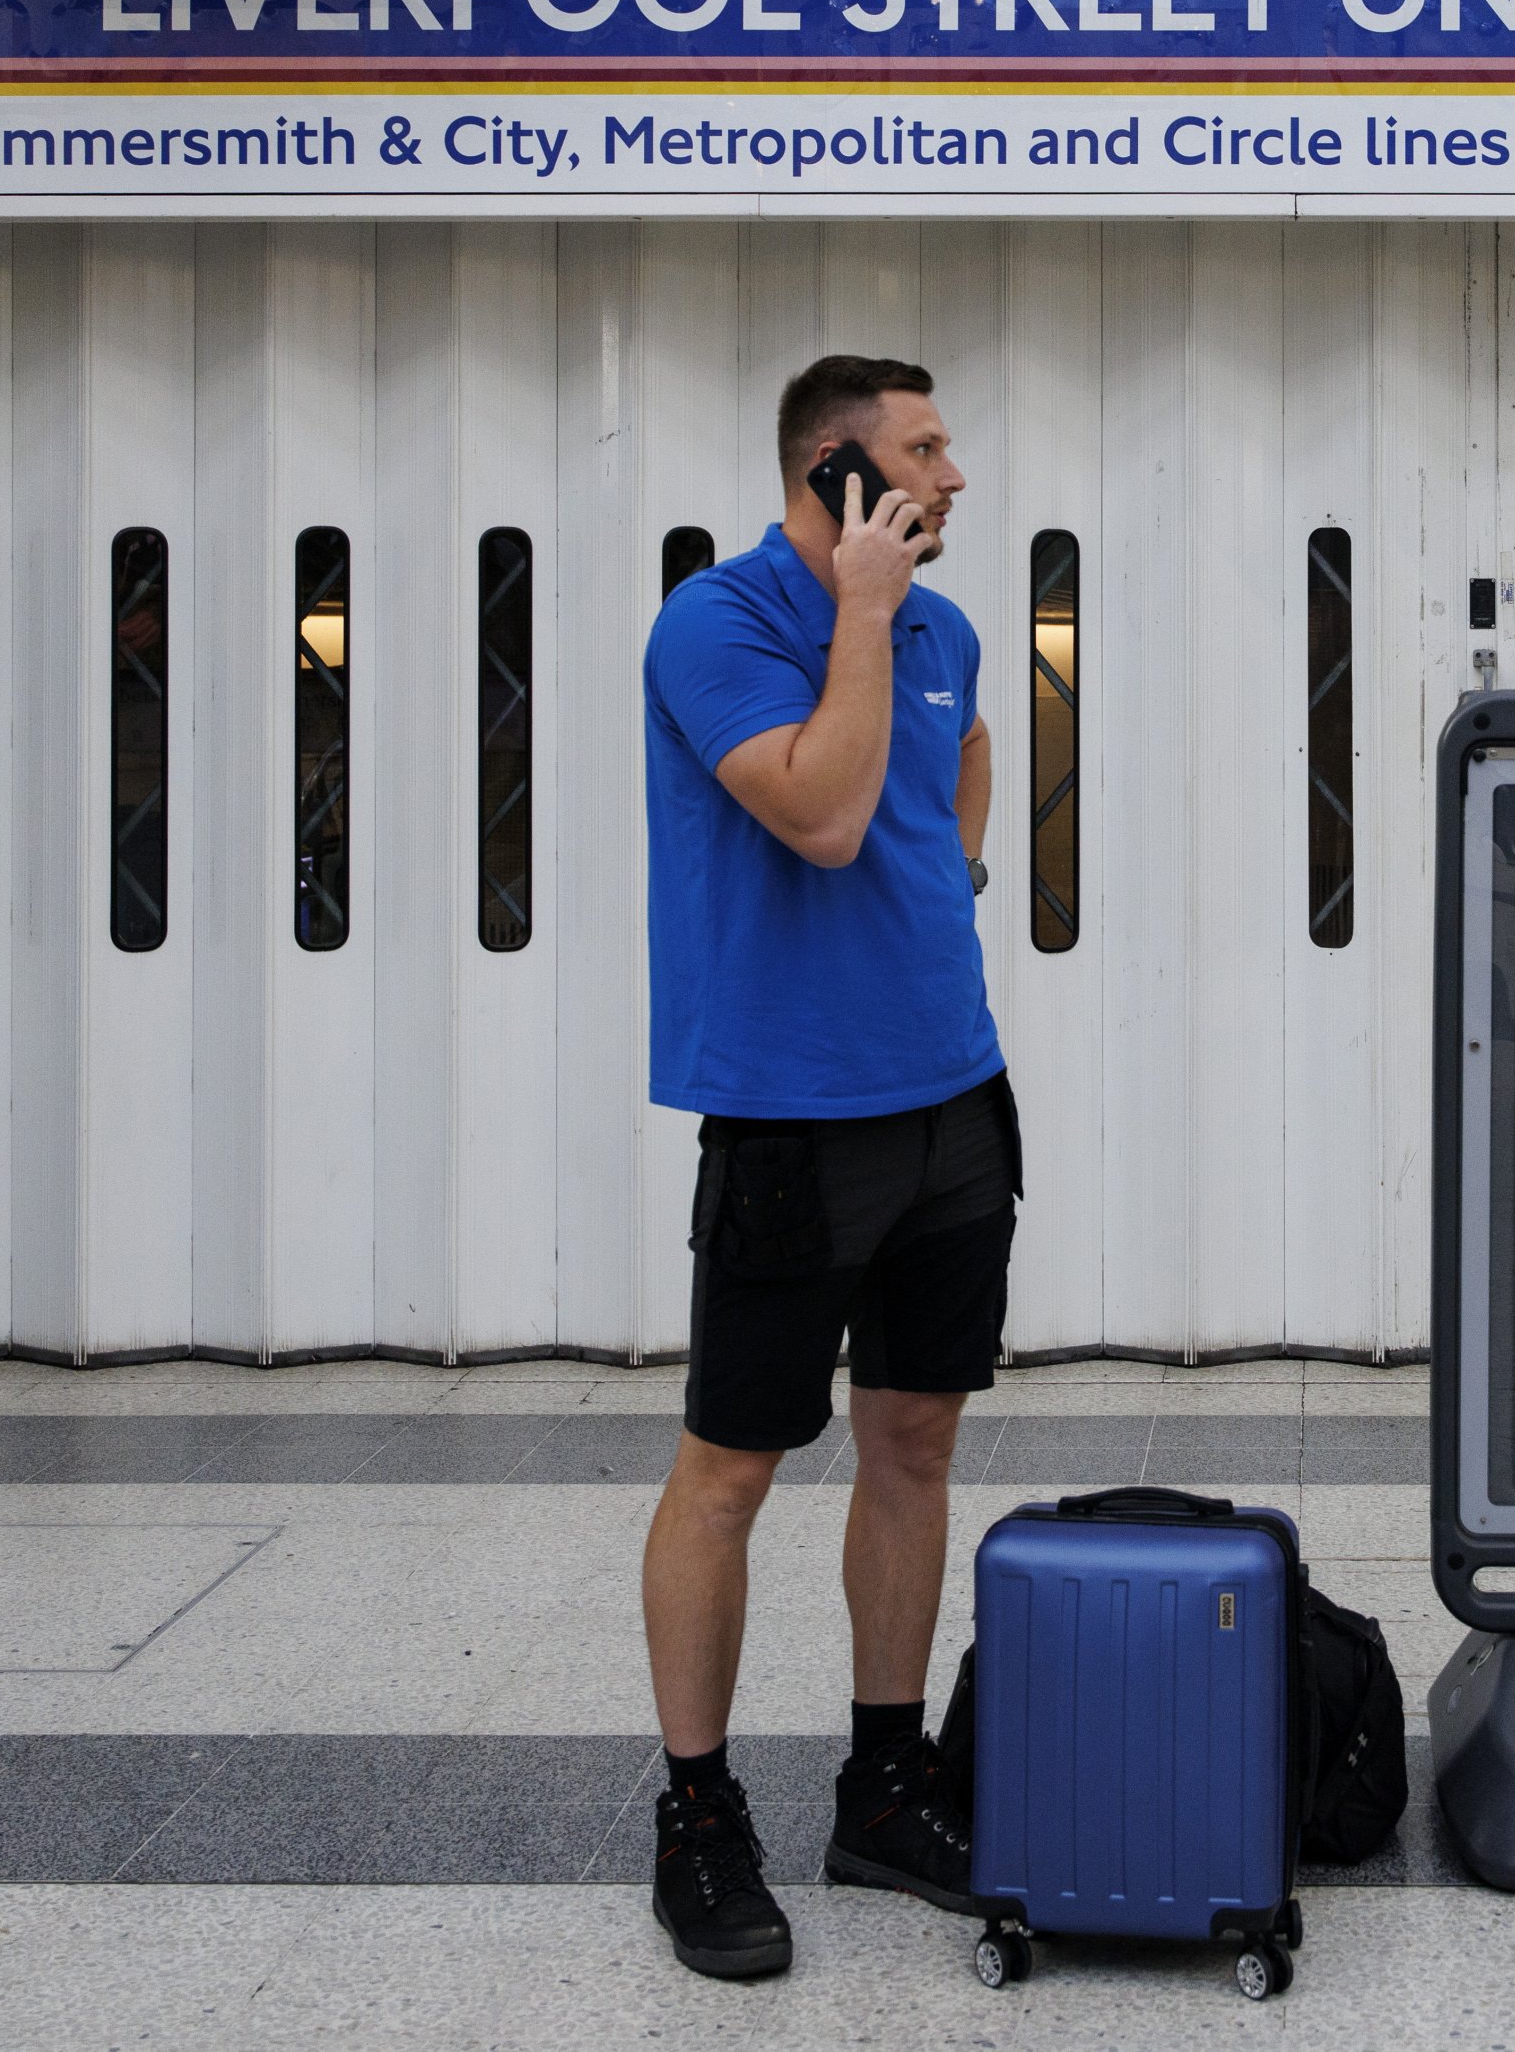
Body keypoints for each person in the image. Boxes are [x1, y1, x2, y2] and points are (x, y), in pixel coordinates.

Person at [636, 353, 1013, 1982]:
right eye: (925, 451)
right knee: (732, 1466)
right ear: (839, 476)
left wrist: (967, 875)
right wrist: (858, 612)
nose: (954, 475)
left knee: (915, 1443)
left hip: (954, 1096)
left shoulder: (944, 631)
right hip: (793, 1114)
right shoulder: (716, 624)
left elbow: (959, 757)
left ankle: (884, 1779)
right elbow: (825, 815)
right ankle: (700, 1814)